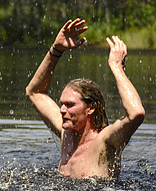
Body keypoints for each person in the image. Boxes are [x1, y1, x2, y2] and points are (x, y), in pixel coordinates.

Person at [25, 18, 145, 178]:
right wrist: (56, 50)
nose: (61, 110)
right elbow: (34, 92)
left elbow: (136, 113)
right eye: (61, 104)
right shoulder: (66, 132)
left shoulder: (106, 141)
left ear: (91, 107)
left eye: (69, 104)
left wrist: (117, 69)